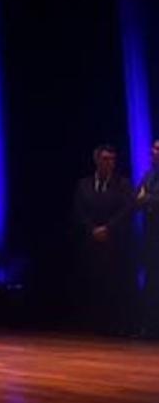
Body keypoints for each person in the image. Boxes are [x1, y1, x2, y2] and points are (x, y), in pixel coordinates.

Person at [73, 144, 135, 335]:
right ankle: (91, 324)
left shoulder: (123, 184)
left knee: (113, 286)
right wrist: (93, 229)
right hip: (90, 243)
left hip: (115, 244)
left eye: (112, 159)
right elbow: (78, 211)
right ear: (97, 160)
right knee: (91, 285)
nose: (109, 163)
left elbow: (126, 210)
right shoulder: (83, 184)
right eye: (105, 159)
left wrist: (108, 228)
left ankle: (114, 326)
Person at [138, 138, 159, 337]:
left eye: (158, 149)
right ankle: (151, 326)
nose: (155, 151)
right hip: (151, 237)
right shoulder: (149, 175)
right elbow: (137, 198)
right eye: (153, 148)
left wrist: (148, 199)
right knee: (152, 280)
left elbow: (145, 198)